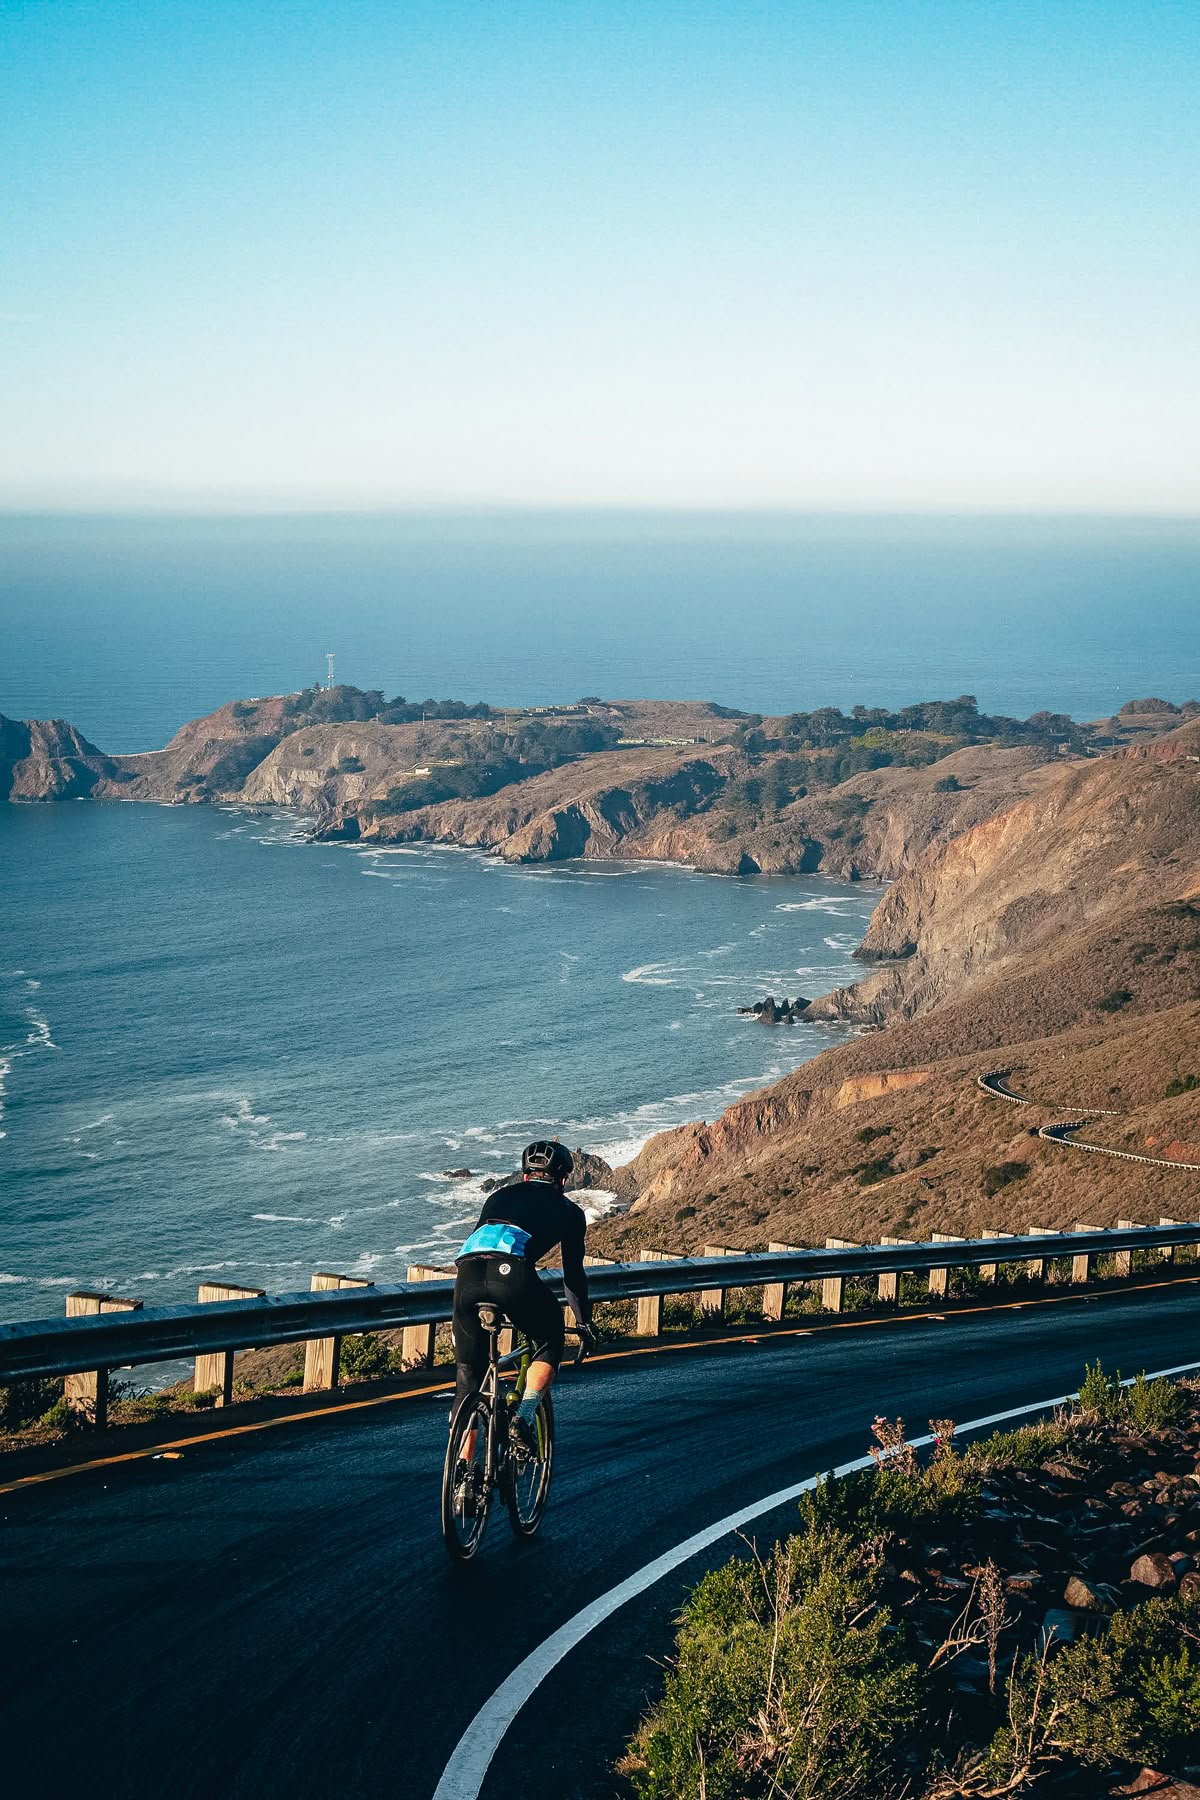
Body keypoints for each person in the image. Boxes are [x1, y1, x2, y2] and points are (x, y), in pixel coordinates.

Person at [452, 1139, 594, 1454]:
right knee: (549, 1338)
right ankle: (525, 1416)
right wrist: (584, 1322)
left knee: (467, 1377)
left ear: (525, 1172)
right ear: (563, 1178)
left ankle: (462, 1475)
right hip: (512, 1275)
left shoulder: (496, 1195)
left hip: (466, 1275)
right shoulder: (570, 1212)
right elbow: (573, 1277)